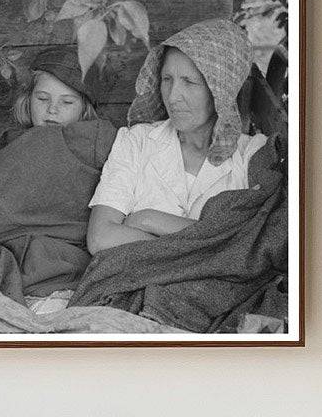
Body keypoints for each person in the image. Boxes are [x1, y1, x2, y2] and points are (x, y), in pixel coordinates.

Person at [0, 45, 116, 308]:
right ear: (28, 99)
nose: (52, 110)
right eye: (42, 99)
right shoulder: (3, 144)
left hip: (60, 262)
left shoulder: (96, 141)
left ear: (84, 109)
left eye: (67, 102)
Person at [87, 18, 266, 253]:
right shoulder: (136, 141)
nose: (172, 97)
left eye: (190, 82)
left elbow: (246, 246)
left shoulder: (251, 155)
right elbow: (100, 238)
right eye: (166, 80)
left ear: (221, 90)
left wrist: (148, 219)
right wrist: (202, 244)